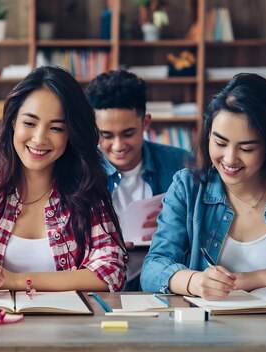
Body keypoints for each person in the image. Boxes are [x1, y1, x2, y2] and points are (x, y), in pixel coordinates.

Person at [141, 73, 266, 299]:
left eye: (246, 149)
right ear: (209, 134)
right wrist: (195, 281)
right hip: (207, 329)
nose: (229, 159)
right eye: (220, 142)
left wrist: (256, 279)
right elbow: (152, 269)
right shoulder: (188, 188)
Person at [0, 66, 127, 294]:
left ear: (71, 134)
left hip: (70, 327)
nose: (39, 138)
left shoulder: (84, 189)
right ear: (13, 121)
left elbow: (111, 271)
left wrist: (16, 280)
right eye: (29, 123)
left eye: (56, 128)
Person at [85, 70, 192, 291]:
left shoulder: (180, 165)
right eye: (106, 135)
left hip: (165, 285)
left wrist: (173, 226)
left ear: (145, 123)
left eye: (127, 133)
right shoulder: (80, 171)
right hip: (100, 285)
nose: (117, 146)